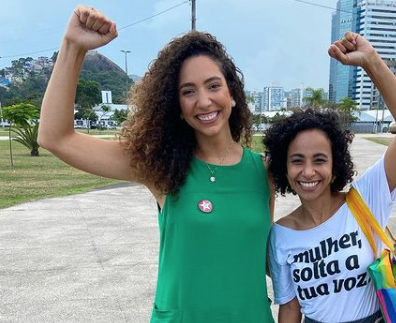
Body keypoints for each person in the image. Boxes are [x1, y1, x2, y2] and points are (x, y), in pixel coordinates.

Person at [38, 5, 275, 323]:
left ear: (233, 93)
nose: (204, 101)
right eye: (188, 92)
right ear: (176, 106)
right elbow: (56, 137)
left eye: (214, 85)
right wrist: (72, 46)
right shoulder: (161, 168)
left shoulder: (265, 171)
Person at [264, 32, 396, 323]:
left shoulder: (365, 200)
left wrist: (370, 61)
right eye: (297, 161)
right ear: (283, 168)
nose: (309, 172)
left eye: (320, 160)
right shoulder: (281, 236)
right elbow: (290, 308)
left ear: (336, 164)